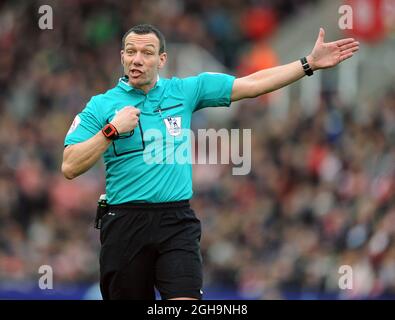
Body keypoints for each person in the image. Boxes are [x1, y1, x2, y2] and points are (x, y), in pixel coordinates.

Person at [61, 24, 359, 300]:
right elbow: (70, 166)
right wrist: (110, 131)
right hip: (125, 222)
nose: (137, 59)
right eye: (131, 52)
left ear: (161, 59)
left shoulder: (186, 90)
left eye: (147, 53)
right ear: (122, 57)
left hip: (175, 221)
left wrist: (307, 64)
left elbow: (252, 84)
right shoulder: (101, 105)